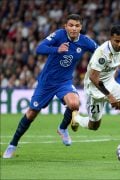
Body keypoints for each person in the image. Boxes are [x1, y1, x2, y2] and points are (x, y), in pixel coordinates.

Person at [2, 14, 98, 159]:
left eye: (77, 25)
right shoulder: (59, 35)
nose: (73, 28)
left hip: (64, 82)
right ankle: (13, 144)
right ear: (65, 26)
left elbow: (100, 51)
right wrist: (56, 49)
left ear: (81, 27)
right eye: (71, 25)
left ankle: (62, 128)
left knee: (74, 103)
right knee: (31, 113)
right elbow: (39, 48)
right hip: (46, 83)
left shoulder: (85, 42)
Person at [70, 25, 120, 159]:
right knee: (94, 125)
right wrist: (110, 96)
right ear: (111, 38)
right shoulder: (101, 53)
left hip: (110, 83)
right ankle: (77, 118)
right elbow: (93, 77)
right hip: (94, 89)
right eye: (117, 41)